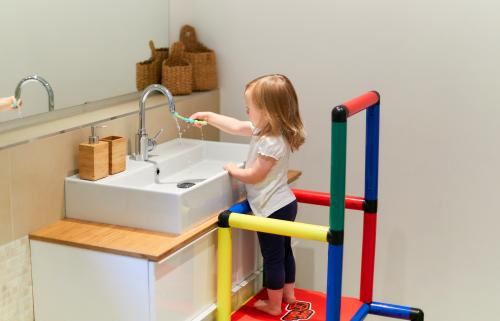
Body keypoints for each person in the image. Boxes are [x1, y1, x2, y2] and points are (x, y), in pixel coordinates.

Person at [189, 74, 305, 316]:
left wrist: (233, 169)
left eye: (249, 108)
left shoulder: (271, 141)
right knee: (285, 252)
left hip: (272, 210)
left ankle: (274, 305)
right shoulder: (264, 131)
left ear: (268, 111)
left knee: (273, 257)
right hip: (284, 204)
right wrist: (208, 117)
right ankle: (289, 295)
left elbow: (254, 175)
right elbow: (233, 125)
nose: (247, 113)